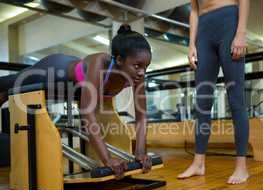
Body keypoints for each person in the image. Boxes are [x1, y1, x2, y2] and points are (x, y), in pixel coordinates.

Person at [0, 24, 152, 179]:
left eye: (146, 67)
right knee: (11, 82)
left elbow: (142, 116)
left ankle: (5, 95)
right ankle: (5, 93)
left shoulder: (137, 76)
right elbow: (87, 113)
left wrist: (140, 152)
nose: (142, 72)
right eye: (137, 66)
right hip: (56, 70)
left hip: (76, 86)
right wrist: (107, 159)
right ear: (119, 59)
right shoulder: (99, 63)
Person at [177, 0, 250, 184]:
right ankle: (198, 163)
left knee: (236, 100)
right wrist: (191, 44)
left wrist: (240, 33)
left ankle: (242, 167)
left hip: (229, 21)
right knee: (202, 102)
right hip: (204, 30)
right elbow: (194, 9)